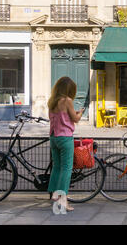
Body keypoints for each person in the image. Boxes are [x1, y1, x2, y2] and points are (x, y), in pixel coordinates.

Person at [47, 76, 84, 212]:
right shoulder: (67, 100)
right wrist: (80, 113)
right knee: (66, 169)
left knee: (57, 167)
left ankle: (54, 194)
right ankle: (63, 201)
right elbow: (75, 119)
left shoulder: (52, 101)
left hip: (53, 137)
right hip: (65, 137)